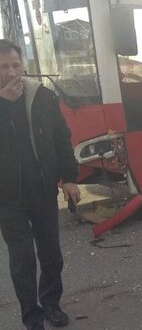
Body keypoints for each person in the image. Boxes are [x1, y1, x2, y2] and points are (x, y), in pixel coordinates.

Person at [0, 39, 81, 330]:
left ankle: (51, 303)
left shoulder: (41, 96)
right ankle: (31, 317)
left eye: (15, 65)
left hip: (43, 189)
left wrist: (70, 178)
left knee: (50, 254)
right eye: (4, 67)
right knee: (22, 260)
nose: (11, 73)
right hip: (8, 198)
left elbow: (61, 137)